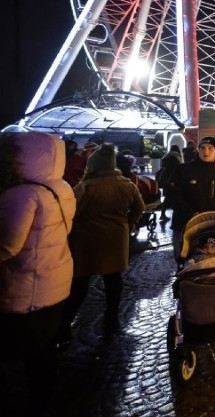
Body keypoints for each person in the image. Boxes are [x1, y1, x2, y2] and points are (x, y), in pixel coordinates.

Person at [0, 131, 76, 403]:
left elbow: (8, 245)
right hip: (56, 276)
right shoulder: (63, 188)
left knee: (21, 348)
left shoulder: (22, 195)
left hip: (25, 285)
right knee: (43, 349)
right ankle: (45, 396)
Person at [58, 143, 145, 342]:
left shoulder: (86, 187)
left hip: (88, 243)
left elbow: (72, 214)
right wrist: (127, 224)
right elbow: (139, 209)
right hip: (116, 241)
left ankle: (64, 326)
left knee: (79, 286)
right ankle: (112, 320)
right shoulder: (127, 184)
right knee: (114, 282)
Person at [168, 136, 215, 261]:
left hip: (210, 226)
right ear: (197, 150)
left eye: (210, 148)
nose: (206, 152)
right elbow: (171, 196)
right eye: (202, 148)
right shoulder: (182, 170)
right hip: (183, 225)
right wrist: (192, 213)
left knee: (209, 262)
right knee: (184, 261)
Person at [157, 144, 183, 224]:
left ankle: (163, 214)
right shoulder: (175, 157)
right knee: (175, 198)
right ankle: (177, 216)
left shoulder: (166, 156)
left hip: (166, 182)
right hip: (172, 182)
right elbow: (176, 169)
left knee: (167, 198)